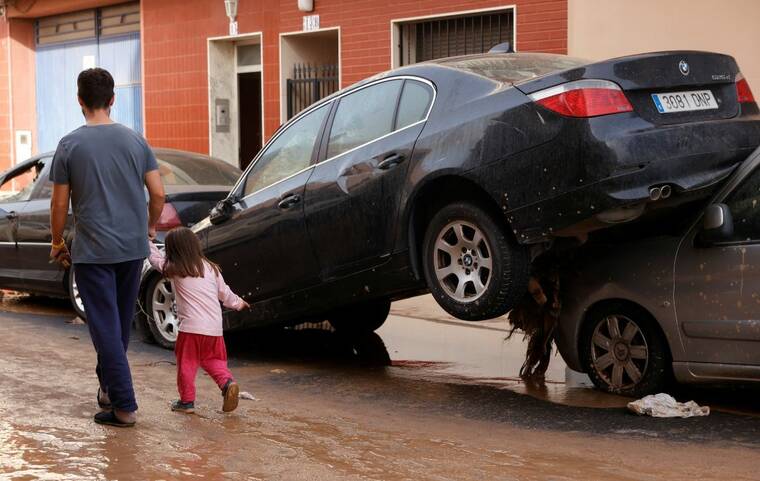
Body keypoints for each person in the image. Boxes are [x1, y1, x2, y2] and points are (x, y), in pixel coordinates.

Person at [49, 68, 165, 427]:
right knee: (115, 328)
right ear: (113, 99)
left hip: (93, 251)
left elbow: (59, 204)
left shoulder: (69, 145)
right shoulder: (136, 141)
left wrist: (56, 241)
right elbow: (158, 194)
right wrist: (147, 228)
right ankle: (107, 390)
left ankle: (125, 407)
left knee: (104, 329)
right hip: (132, 249)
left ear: (79, 101)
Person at [147, 227, 249, 413]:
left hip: (191, 329)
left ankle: (186, 402)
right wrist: (239, 303)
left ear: (172, 250)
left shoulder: (175, 268)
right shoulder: (211, 268)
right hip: (214, 329)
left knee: (187, 364)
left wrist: (147, 240)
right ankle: (227, 383)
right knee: (213, 360)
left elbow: (154, 259)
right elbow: (225, 294)